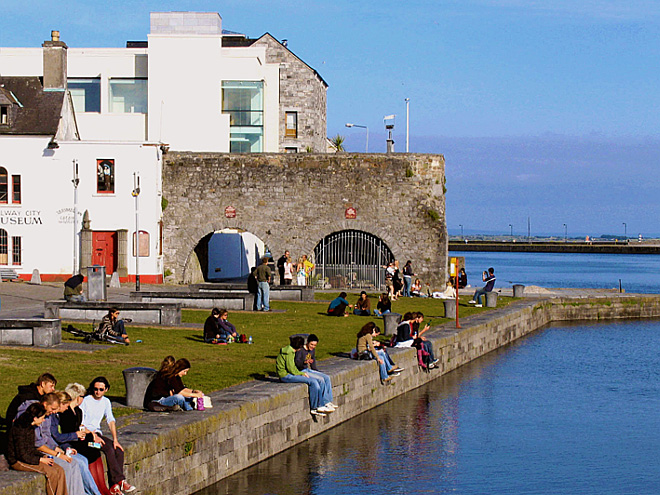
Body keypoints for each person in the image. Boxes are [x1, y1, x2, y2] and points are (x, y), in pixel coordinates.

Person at [16, 393, 85, 495]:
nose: (53, 412)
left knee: (73, 463)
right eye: (52, 409)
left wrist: (58, 450)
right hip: (36, 454)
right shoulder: (32, 419)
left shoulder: (46, 416)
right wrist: (57, 454)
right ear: (45, 404)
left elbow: (47, 436)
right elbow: (37, 445)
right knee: (64, 466)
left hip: (42, 451)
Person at [80, 377, 136, 494]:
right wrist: (91, 433)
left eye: (101, 389)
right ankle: (120, 481)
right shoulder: (86, 401)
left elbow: (110, 420)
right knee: (108, 449)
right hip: (87, 434)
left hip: (97, 433)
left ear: (106, 389)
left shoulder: (106, 402)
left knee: (118, 450)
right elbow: (80, 423)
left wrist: (115, 439)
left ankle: (115, 484)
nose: (98, 392)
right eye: (95, 389)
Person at [60, 383, 111, 495]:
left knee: (96, 449)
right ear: (77, 397)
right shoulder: (66, 413)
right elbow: (69, 431)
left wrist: (91, 434)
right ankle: (97, 489)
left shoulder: (78, 411)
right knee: (89, 453)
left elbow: (80, 427)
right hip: (73, 442)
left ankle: (101, 485)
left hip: (82, 439)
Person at [7, 402, 68, 495]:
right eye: (42, 418)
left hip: (29, 457)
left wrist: (43, 456)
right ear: (35, 418)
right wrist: (40, 459)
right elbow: (22, 455)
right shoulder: (19, 430)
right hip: (18, 461)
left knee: (59, 470)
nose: (43, 420)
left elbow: (31, 449)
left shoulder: (30, 427)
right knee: (51, 473)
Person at [50, 391, 103, 495]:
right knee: (81, 462)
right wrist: (74, 437)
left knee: (86, 458)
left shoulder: (71, 412)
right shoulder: (56, 416)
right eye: (66, 405)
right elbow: (57, 436)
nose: (67, 408)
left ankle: (96, 490)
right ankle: (96, 493)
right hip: (60, 447)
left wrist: (67, 447)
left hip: (66, 445)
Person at [276, 336, 333, 417]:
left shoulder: (290, 350)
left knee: (315, 381)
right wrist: (301, 374)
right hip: (285, 376)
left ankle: (320, 405)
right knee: (312, 381)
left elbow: (292, 368)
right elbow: (291, 368)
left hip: (289, 373)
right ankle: (316, 407)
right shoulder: (289, 352)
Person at [294, 334, 338, 412]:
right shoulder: (300, 351)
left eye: (314, 345)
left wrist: (316, 371)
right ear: (307, 342)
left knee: (326, 377)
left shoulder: (312, 350)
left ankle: (329, 401)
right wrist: (305, 362)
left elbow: (313, 362)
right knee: (320, 380)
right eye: (311, 344)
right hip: (301, 370)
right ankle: (324, 402)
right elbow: (297, 363)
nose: (313, 347)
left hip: (308, 369)